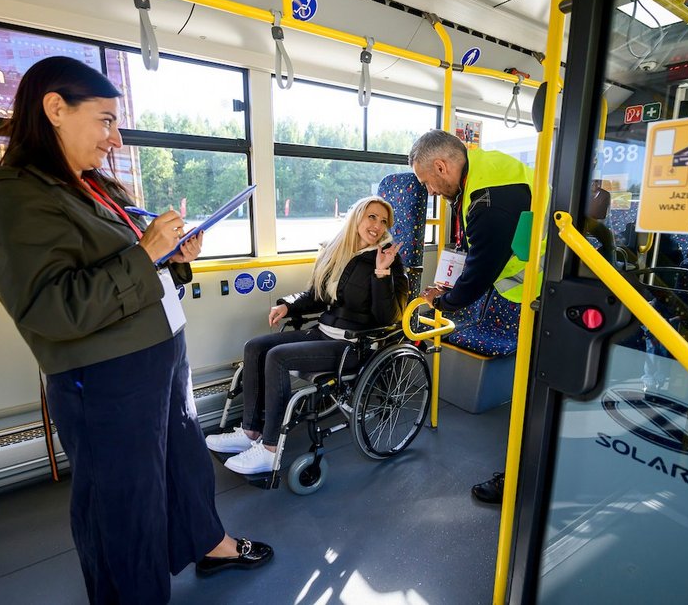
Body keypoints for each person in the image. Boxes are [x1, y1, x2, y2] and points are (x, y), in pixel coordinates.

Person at [0, 56, 271, 604]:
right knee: (122, 505)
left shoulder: (89, 187)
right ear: (55, 109)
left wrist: (174, 257)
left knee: (183, 464)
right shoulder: (13, 202)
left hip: (157, 356)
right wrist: (148, 250)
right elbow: (55, 310)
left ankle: (209, 542)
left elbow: (134, 268)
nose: (115, 138)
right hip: (105, 379)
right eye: (105, 120)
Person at [206, 196, 409, 474]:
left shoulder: (387, 259)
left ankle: (269, 449)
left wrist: (381, 271)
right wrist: (287, 304)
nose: (377, 225)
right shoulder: (338, 251)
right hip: (323, 333)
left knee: (277, 357)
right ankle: (250, 432)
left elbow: (387, 317)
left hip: (351, 346)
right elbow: (316, 296)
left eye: (383, 221)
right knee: (255, 347)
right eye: (371, 217)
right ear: (357, 218)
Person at [408, 129, 537, 505]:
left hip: (545, 293)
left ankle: (520, 478)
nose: (429, 190)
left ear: (441, 166)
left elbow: (479, 273)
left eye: (426, 181)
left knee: (534, 395)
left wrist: (444, 303)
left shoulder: (487, 202)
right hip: (530, 292)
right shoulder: (480, 169)